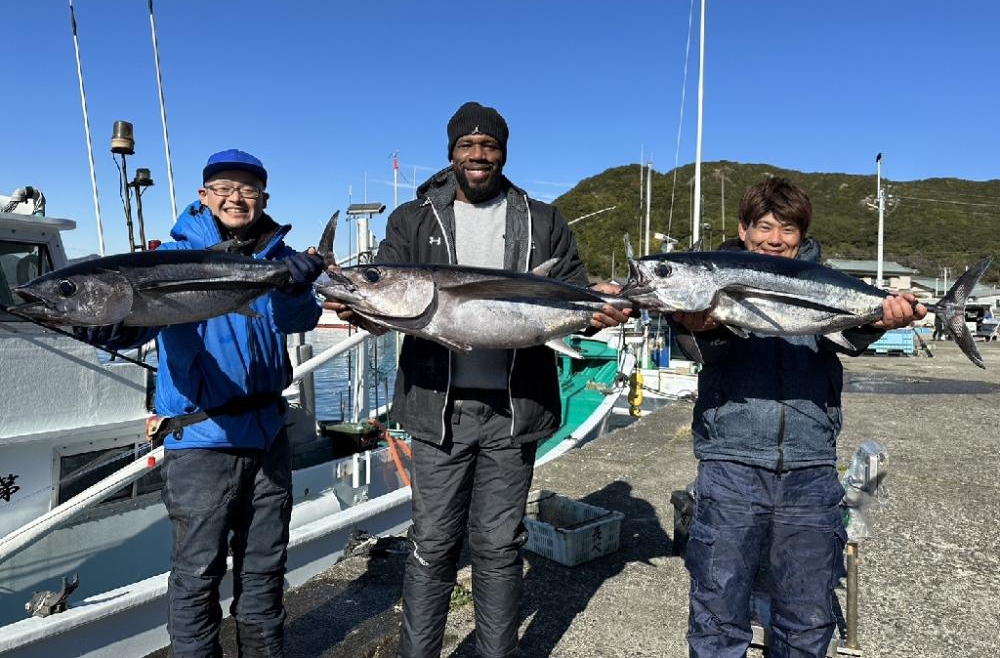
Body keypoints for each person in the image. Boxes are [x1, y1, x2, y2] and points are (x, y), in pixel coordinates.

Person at [327, 102, 631, 658]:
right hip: (437, 410)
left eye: (488, 145)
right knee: (431, 545)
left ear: (503, 152)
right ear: (451, 153)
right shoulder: (412, 220)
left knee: (499, 545)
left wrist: (598, 309)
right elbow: (390, 300)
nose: (478, 154)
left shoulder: (543, 220)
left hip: (514, 411)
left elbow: (573, 291)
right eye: (467, 145)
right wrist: (363, 306)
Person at [80, 149, 324, 658]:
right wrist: (109, 328)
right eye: (224, 188)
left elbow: (297, 322)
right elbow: (135, 327)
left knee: (265, 570)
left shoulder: (277, 258)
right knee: (196, 576)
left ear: (263, 198)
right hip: (201, 440)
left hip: (268, 436)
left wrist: (296, 288)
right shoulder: (168, 258)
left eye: (248, 190)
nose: (236, 198)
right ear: (204, 196)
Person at [672, 176, 926, 658]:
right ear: (743, 229)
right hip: (730, 465)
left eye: (787, 229)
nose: (774, 239)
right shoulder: (709, 280)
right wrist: (702, 325)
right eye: (764, 227)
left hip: (810, 467)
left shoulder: (826, 281)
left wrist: (880, 319)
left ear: (801, 235)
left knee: (807, 614)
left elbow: (845, 339)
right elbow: (703, 351)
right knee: (717, 609)